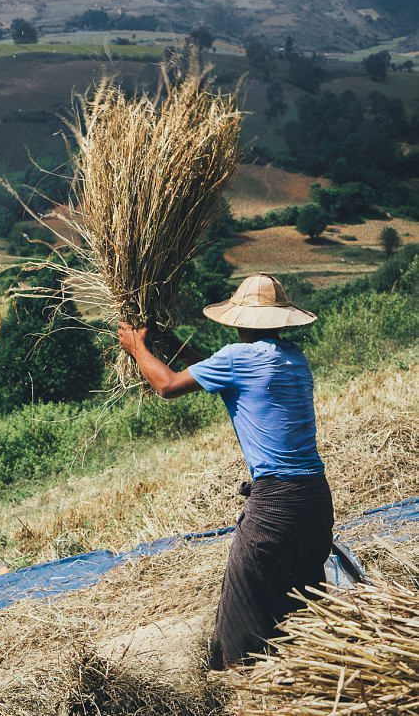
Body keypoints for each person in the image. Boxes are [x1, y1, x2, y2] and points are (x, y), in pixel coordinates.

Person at [118, 272, 333, 669]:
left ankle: (245, 691)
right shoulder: (293, 360)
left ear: (238, 320)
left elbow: (166, 386)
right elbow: (214, 372)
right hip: (316, 501)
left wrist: (136, 347)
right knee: (301, 609)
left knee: (242, 621)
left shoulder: (237, 359)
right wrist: (171, 346)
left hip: (275, 507)